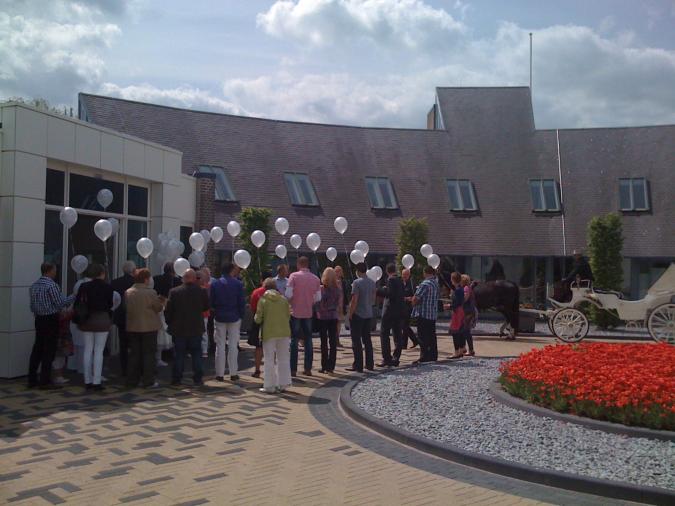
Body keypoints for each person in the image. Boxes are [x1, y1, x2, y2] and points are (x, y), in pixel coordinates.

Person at [28, 263, 75, 388]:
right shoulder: (51, 285)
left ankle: (32, 379)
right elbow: (60, 303)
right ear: (49, 271)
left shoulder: (34, 285)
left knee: (37, 347)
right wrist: (73, 296)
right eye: (54, 270)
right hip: (50, 319)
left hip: (39, 318)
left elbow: (32, 305)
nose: (56, 273)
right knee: (49, 350)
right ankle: (45, 380)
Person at [164, 269, 210, 386]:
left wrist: (169, 322)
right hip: (196, 328)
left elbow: (168, 310)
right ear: (194, 278)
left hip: (179, 328)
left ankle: (177, 379)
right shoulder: (201, 291)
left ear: (183, 278)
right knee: (196, 354)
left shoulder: (174, 292)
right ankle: (198, 379)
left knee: (179, 355)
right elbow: (206, 307)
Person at [74, 263, 114, 391]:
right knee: (99, 351)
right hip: (102, 319)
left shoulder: (84, 286)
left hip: (86, 320)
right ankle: (97, 381)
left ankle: (87, 380)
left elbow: (77, 303)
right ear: (102, 273)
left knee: (88, 350)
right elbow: (110, 304)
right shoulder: (107, 287)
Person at [125, 268, 165, 388]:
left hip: (133, 327)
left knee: (134, 354)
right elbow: (158, 308)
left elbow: (125, 308)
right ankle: (148, 380)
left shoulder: (128, 292)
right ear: (146, 279)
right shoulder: (151, 292)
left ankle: (132, 380)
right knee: (149, 355)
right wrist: (162, 302)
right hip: (149, 327)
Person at [255, 278, 292, 393]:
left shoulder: (263, 300)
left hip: (269, 332)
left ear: (265, 288)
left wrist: (256, 317)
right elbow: (288, 315)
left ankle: (269, 386)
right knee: (284, 358)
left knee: (269, 359)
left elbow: (258, 319)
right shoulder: (283, 299)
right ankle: (284, 383)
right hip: (284, 331)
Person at [285, 256, 321, 377]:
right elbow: (318, 298)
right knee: (308, 340)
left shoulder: (293, 276)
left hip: (295, 312)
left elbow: (288, 294)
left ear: (299, 264)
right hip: (308, 312)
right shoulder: (315, 279)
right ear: (308, 265)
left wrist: (292, 301)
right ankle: (308, 368)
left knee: (294, 340)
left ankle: (293, 369)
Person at [210, 262, 246, 382]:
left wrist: (215, 311)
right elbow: (241, 301)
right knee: (233, 345)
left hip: (220, 315)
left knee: (219, 345)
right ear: (231, 270)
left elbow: (211, 301)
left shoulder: (215, 283)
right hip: (234, 316)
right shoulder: (238, 284)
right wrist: (241, 315)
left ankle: (219, 373)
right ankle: (233, 373)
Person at [347, 262, 376, 372]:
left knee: (356, 340)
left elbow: (354, 300)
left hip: (358, 314)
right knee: (367, 340)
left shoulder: (356, 283)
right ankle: (370, 364)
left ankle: (358, 365)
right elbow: (373, 299)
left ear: (358, 271)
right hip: (368, 313)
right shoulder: (372, 282)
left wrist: (350, 313)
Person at [377, 263, 405, 367]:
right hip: (398, 311)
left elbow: (390, 293)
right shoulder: (400, 280)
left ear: (387, 271)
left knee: (384, 334)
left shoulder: (391, 280)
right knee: (397, 335)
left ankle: (386, 358)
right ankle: (396, 357)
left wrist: (379, 290)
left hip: (389, 311)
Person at [111, 260, 136, 376]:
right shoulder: (136, 282)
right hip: (134, 317)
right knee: (135, 343)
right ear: (133, 270)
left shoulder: (115, 282)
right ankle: (133, 368)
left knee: (123, 344)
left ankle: (124, 368)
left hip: (120, 316)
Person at [153, 262, 181, 367]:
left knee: (160, 332)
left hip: (159, 308)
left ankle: (159, 356)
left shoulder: (156, 279)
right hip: (172, 309)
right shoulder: (178, 281)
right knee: (172, 332)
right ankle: (172, 353)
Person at [411, 266, 440, 363]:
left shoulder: (425, 284)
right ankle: (433, 355)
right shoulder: (436, 283)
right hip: (432, 314)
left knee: (422, 336)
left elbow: (416, 298)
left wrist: (412, 302)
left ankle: (424, 356)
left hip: (423, 313)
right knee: (432, 335)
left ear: (425, 272)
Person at [68, 268, 93, 375]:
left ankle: (73, 365)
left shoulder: (78, 283)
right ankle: (84, 368)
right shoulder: (90, 285)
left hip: (76, 316)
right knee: (85, 344)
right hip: (85, 317)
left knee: (76, 343)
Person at [317, 267, 342, 373]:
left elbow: (319, 304)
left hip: (323, 317)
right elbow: (339, 303)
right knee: (332, 341)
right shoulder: (338, 289)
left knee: (324, 342)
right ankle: (331, 365)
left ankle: (324, 365)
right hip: (333, 316)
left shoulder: (322, 289)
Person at [248, 271, 272, 378]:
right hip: (272, 322)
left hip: (258, 322)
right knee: (271, 348)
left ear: (262, 280)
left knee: (258, 347)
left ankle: (257, 370)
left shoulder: (256, 292)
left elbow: (252, 307)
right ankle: (270, 370)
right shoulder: (278, 294)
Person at [448, 271, 466, 359]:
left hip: (457, 312)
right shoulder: (460, 289)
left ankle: (457, 352)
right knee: (459, 331)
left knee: (455, 332)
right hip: (460, 311)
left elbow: (457, 302)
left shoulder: (457, 290)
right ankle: (461, 349)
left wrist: (449, 306)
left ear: (453, 280)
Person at [196, 267, 213, 358]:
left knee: (204, 332)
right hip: (198, 313)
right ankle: (199, 349)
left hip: (204, 313)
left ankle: (204, 350)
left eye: (199, 277)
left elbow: (209, 300)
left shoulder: (208, 287)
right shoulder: (195, 287)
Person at [401, 268, 419, 349]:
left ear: (409, 275)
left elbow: (415, 295)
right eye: (403, 275)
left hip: (408, 307)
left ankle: (404, 344)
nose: (404, 276)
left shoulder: (411, 284)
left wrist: (409, 298)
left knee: (405, 325)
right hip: (401, 307)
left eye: (406, 275)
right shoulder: (400, 283)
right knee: (404, 326)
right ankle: (415, 340)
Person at [461, 274, 476, 356]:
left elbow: (465, 298)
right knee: (464, 330)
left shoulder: (466, 288)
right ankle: (464, 348)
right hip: (468, 311)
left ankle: (471, 350)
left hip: (468, 312)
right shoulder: (468, 288)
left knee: (466, 331)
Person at [335, 265, 350, 348]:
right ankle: (334, 340)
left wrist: (347, 304)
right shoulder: (332, 281)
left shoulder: (343, 282)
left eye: (339, 271)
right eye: (336, 271)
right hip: (334, 306)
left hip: (341, 305)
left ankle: (337, 340)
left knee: (339, 323)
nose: (338, 273)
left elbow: (345, 293)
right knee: (334, 323)